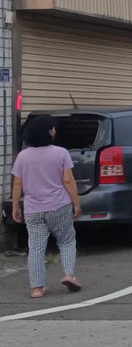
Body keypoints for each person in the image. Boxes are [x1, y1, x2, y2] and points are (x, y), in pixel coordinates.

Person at [11, 115, 82, 298]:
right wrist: (76, 203)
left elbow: (18, 183)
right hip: (58, 206)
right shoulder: (61, 153)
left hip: (33, 209)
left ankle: (37, 288)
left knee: (35, 247)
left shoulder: (23, 156)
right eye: (53, 128)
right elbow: (68, 180)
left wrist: (15, 206)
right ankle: (69, 275)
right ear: (49, 132)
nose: (55, 130)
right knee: (66, 241)